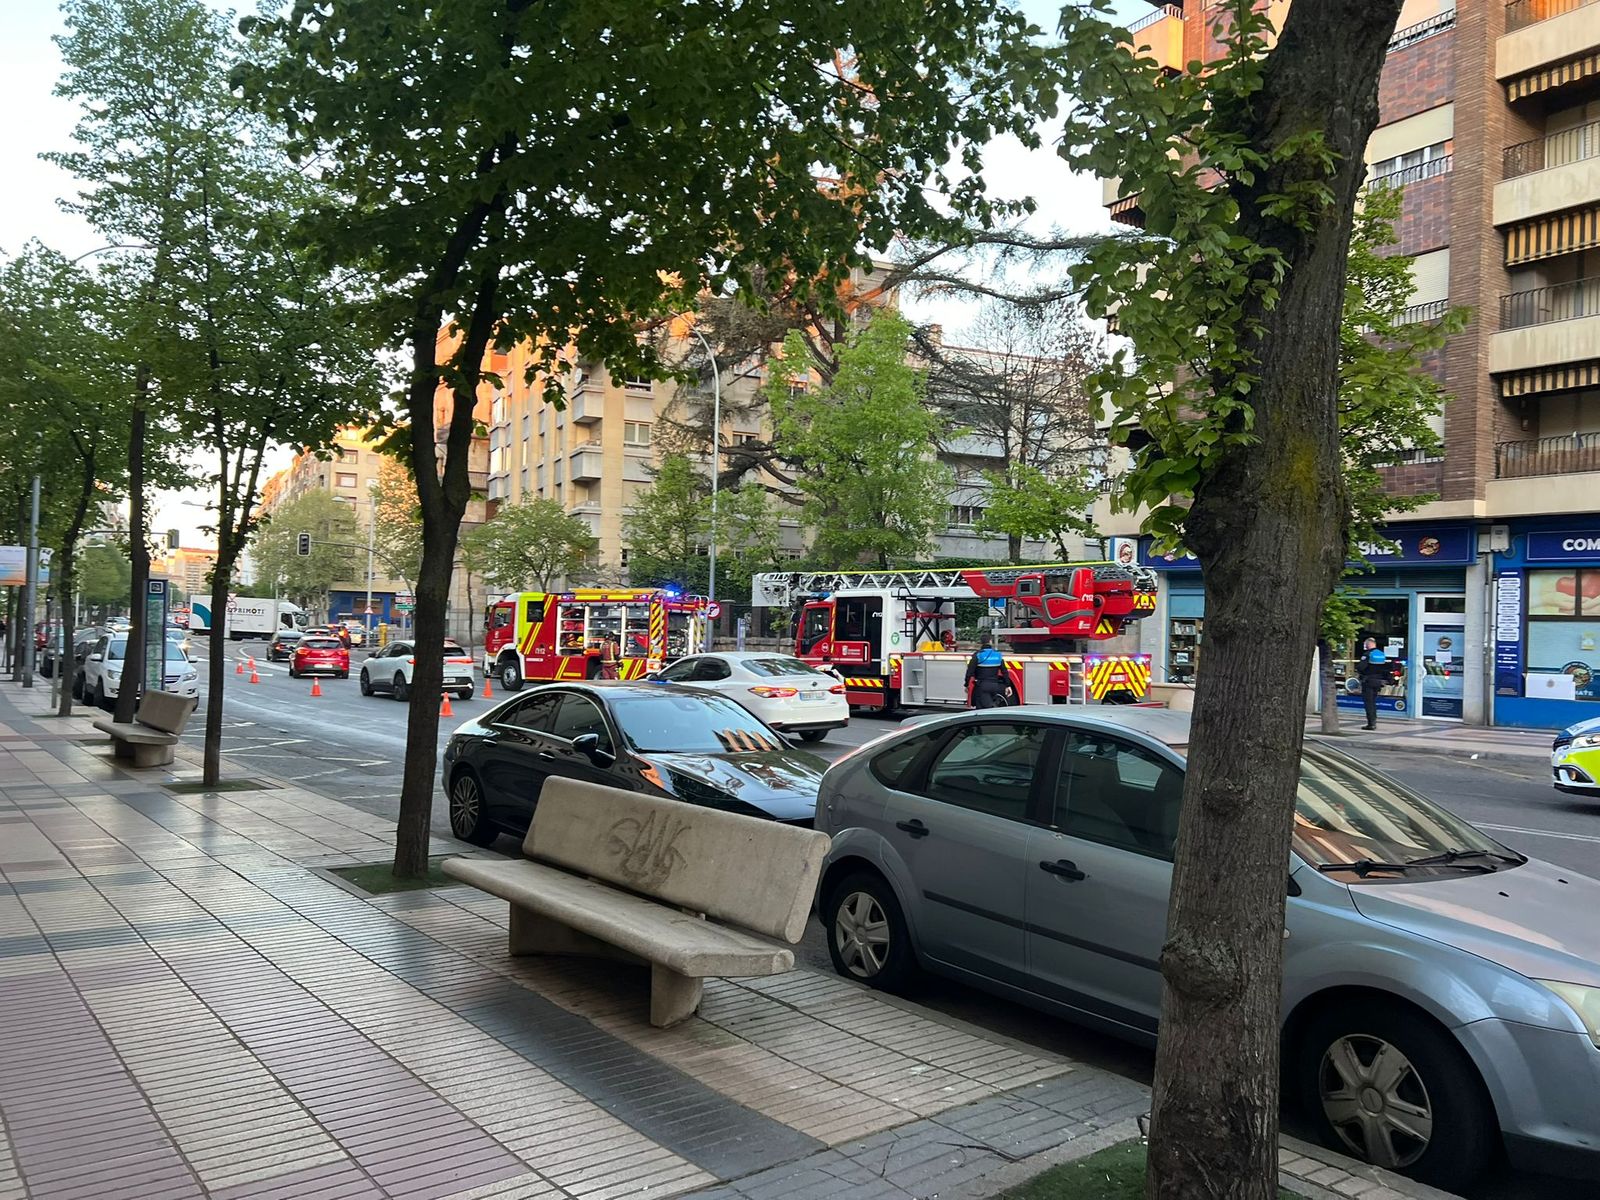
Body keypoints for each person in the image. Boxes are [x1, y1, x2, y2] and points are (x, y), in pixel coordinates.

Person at [1356, 636, 1393, 731]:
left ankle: (1371, 723)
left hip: (1368, 681)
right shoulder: (1381, 654)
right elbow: (1385, 669)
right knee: (1373, 701)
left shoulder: (1367, 654)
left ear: (1368, 644)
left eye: (1365, 644)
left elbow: (1361, 668)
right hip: (1378, 681)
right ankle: (1373, 721)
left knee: (1368, 703)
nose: (1365, 646)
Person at [965, 634, 1009, 709]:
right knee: (986, 706)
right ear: (990, 642)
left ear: (981, 643)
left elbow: (969, 671)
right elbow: (1004, 671)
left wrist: (966, 684)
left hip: (982, 686)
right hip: (995, 686)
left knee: (983, 708)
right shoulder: (997, 655)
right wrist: (1008, 685)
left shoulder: (978, 655)